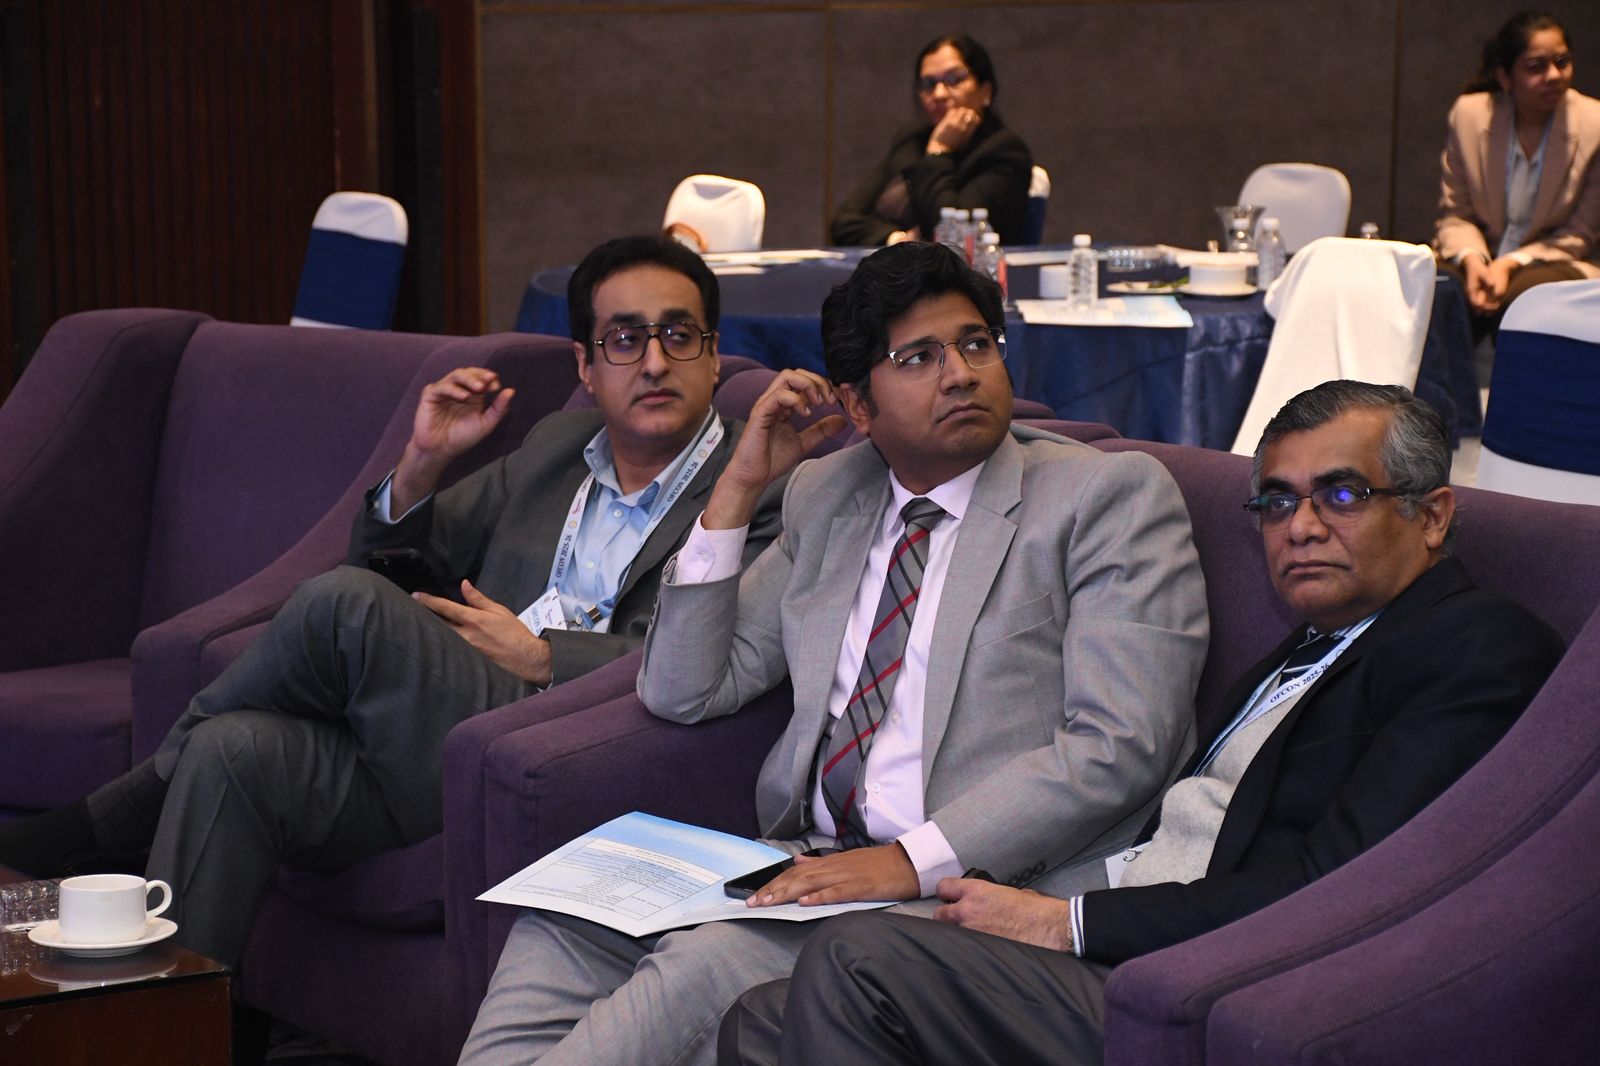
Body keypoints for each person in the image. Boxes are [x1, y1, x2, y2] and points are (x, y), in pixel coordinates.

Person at [458, 241, 1209, 1066]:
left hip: (975, 886)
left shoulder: (1103, 497)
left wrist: (904, 862)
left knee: (707, 965)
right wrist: (737, 490)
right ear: (857, 404)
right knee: (563, 921)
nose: (960, 374)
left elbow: (1120, 743)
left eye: (975, 345)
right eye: (918, 358)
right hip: (804, 864)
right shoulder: (829, 495)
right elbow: (682, 689)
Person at [718, 380, 1566, 1066]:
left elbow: (1345, 885)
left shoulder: (1474, 647)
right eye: (1277, 503)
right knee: (763, 1022)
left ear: (1433, 514)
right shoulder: (1315, 642)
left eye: (1342, 494)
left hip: (1217, 984)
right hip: (1126, 927)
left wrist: (1065, 923)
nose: (1301, 528)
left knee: (861, 959)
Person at [0, 235, 783, 969]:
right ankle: (179, 1030)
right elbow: (397, 572)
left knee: (344, 606)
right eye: (625, 339)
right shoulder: (555, 450)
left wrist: (546, 658)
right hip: (451, 738)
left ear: (714, 355)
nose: (655, 362)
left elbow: (710, 659)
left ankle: (115, 817)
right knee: (229, 751)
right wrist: (420, 466)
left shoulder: (761, 485)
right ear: (585, 363)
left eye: (679, 336)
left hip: (575, 749)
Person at [1436, 10, 1600, 321]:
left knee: (1522, 299)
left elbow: (1580, 235)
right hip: (1482, 252)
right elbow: (1456, 215)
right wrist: (1473, 260)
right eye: (1536, 67)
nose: (1554, 75)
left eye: (1562, 62)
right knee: (1441, 289)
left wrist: (1509, 263)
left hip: (1555, 260)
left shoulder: (1594, 124)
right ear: (1505, 77)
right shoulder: (1470, 115)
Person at [830, 33, 1034, 247]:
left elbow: (953, 239)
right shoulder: (911, 140)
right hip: (899, 266)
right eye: (928, 83)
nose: (939, 94)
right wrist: (899, 240)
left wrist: (939, 151)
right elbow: (844, 222)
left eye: (954, 79)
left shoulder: (1004, 151)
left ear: (986, 91)